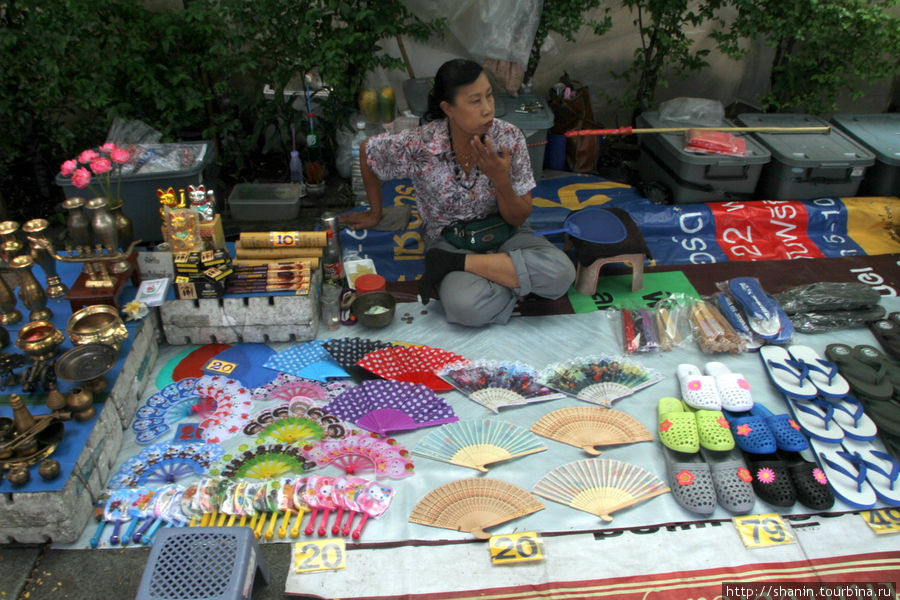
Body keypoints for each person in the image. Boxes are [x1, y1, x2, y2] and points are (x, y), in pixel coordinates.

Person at [341, 58, 575, 327]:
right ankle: (510, 277)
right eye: (475, 101)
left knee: (562, 273)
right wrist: (374, 213)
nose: (488, 109)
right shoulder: (421, 145)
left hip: (506, 235)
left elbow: (518, 218)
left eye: (489, 96)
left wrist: (500, 180)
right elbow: (368, 150)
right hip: (449, 240)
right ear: (448, 108)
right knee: (464, 308)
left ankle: (461, 267)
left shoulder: (509, 137)